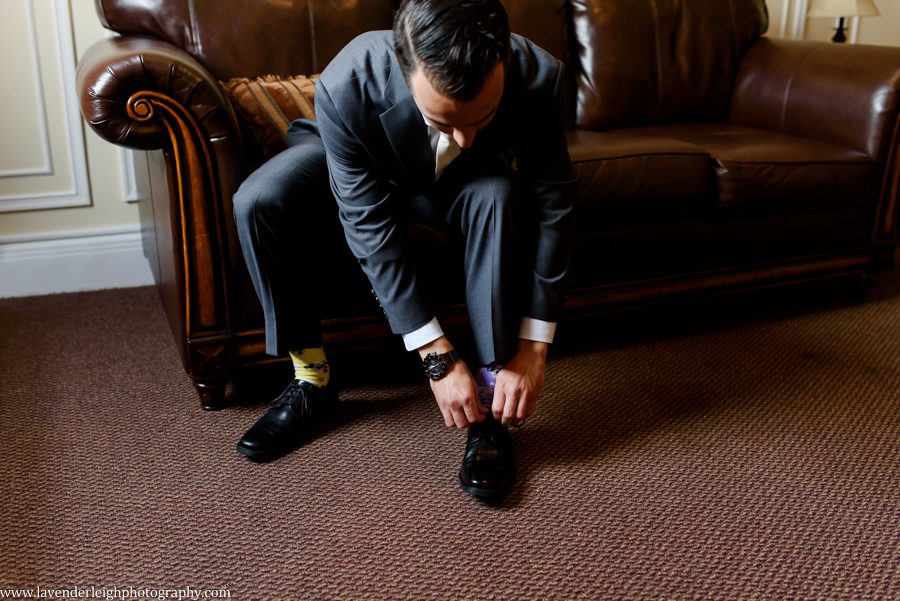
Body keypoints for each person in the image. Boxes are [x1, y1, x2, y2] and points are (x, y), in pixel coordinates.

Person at [231, 0, 576, 500]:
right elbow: (367, 223)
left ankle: (489, 396)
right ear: (403, 67)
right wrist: (435, 354)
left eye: (483, 117)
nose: (464, 135)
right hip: (354, 162)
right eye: (445, 121)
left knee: (502, 195)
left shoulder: (539, 77)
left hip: (464, 181)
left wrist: (534, 348)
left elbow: (553, 204)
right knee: (260, 201)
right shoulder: (348, 81)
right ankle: (312, 379)